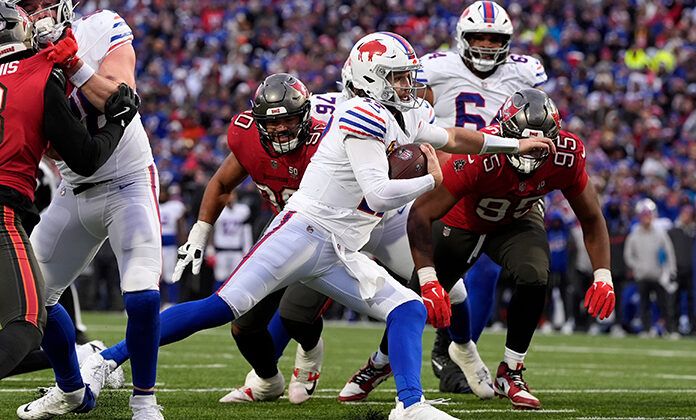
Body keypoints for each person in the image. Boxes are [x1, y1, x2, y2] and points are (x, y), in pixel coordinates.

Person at [80, 32, 553, 419]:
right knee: (220, 309)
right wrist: (433, 178)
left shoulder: (397, 112)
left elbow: (453, 136)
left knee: (408, 308)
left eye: (408, 76)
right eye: (398, 77)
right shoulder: (362, 114)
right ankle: (106, 360)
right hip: (303, 232)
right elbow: (379, 194)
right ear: (371, 78)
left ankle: (410, 405)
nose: (408, 85)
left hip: (341, 245)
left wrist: (513, 146)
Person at [406, 89, 614, 410]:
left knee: (534, 273)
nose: (531, 155)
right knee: (416, 295)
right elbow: (421, 213)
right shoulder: (479, 153)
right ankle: (380, 361)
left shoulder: (566, 154)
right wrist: (428, 277)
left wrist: (603, 276)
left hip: (517, 219)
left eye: (540, 146)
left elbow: (591, 217)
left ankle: (511, 372)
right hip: (465, 220)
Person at [15, 1, 163, 418]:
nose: (35, 13)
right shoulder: (17, 60)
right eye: (26, 6)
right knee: (34, 299)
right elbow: (54, 146)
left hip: (129, 180)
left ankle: (144, 402)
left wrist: (75, 65)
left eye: (40, 3)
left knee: (142, 295)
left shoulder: (102, 27)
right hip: (74, 189)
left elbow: (122, 99)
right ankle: (71, 390)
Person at [0, 0, 137, 381]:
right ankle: (81, 352)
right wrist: (118, 122)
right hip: (6, 206)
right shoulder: (41, 72)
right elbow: (85, 157)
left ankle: (77, 359)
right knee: (26, 324)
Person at [624, 198, 678, 337]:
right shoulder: (634, 235)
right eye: (644, 216)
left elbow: (669, 252)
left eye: (648, 215)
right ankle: (646, 329)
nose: (646, 218)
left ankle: (669, 330)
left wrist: (671, 271)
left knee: (664, 304)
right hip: (642, 275)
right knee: (644, 304)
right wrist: (638, 267)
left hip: (658, 275)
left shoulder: (660, 233)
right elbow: (628, 255)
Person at [211, 190, 254, 292]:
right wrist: (210, 250)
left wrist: (247, 250)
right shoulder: (217, 210)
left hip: (237, 250)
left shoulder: (243, 210)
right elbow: (211, 230)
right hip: (221, 250)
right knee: (219, 277)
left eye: (232, 194)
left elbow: (246, 231)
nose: (230, 197)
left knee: (236, 279)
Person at [667, 204, 695, 335]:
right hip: (676, 271)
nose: (686, 217)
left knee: (692, 300)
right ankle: (673, 327)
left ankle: (693, 327)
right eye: (684, 213)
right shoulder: (673, 232)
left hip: (691, 272)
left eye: (688, 214)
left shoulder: (692, 233)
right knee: (674, 300)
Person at [158, 185, 186, 308]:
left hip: (170, 246)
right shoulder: (152, 204)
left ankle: (171, 302)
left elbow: (180, 226)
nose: (161, 195)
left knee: (170, 275)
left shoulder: (175, 207)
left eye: (163, 192)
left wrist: (183, 244)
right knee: (156, 276)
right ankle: (158, 303)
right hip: (155, 246)